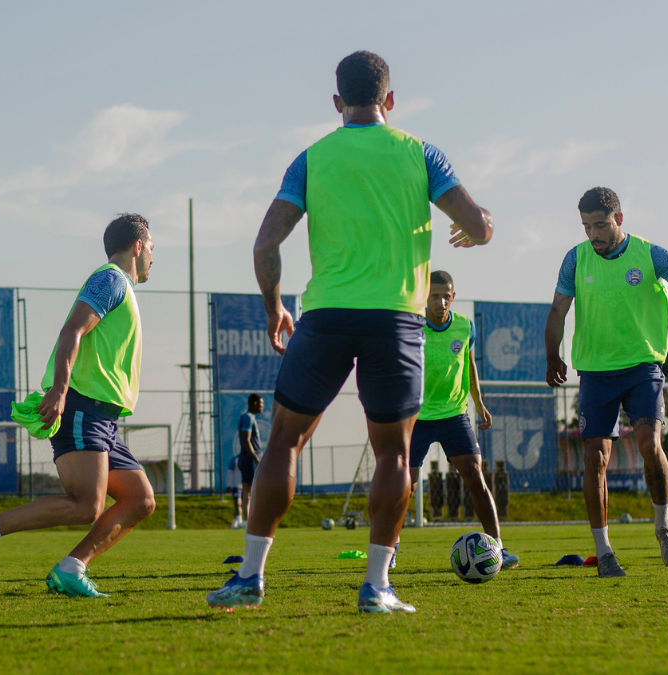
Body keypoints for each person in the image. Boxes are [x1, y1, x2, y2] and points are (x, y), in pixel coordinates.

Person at [206, 50, 494, 614]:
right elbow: (479, 225)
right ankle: (376, 587)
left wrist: (273, 309)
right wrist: (476, 231)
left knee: (284, 441)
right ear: (390, 100)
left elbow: (265, 244)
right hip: (396, 320)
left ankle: (249, 578)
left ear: (338, 103)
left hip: (326, 317)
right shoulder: (421, 153)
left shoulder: (311, 159)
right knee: (393, 452)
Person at [0, 213, 156, 598]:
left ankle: (71, 568)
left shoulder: (121, 287)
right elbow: (73, 330)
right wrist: (60, 391)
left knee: (140, 499)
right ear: (137, 247)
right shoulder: (111, 279)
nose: (152, 257)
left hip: (103, 419)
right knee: (86, 505)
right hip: (82, 408)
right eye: (151, 249)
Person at [544, 187, 668, 578]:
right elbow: (558, 311)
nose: (592, 234)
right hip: (595, 372)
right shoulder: (575, 260)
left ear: (619, 220)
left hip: (642, 367)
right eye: (586, 226)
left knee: (649, 444)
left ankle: (663, 526)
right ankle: (605, 552)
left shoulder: (649, 254)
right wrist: (552, 354)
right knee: (595, 458)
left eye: (600, 225)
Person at [400, 270, 518, 571]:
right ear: (425, 296)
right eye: (435, 295)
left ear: (453, 296)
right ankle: (390, 551)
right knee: (405, 486)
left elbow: (469, 365)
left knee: (476, 477)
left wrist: (479, 403)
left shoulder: (466, 326)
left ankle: (497, 550)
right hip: (417, 417)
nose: (441, 301)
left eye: (446, 295)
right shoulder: (411, 326)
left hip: (454, 415)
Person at [234, 394, 264, 526]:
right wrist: (256, 458)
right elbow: (246, 440)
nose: (263, 406)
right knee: (252, 491)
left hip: (246, 458)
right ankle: (249, 521)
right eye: (261, 403)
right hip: (249, 458)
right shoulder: (248, 418)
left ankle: (247, 520)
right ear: (255, 403)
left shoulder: (248, 418)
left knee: (248, 492)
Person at [226, 454, 244, 529]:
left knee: (245, 504)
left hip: (245, 485)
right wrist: (229, 485)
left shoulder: (249, 460)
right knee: (237, 503)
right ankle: (238, 520)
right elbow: (230, 472)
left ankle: (237, 521)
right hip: (236, 486)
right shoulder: (235, 460)